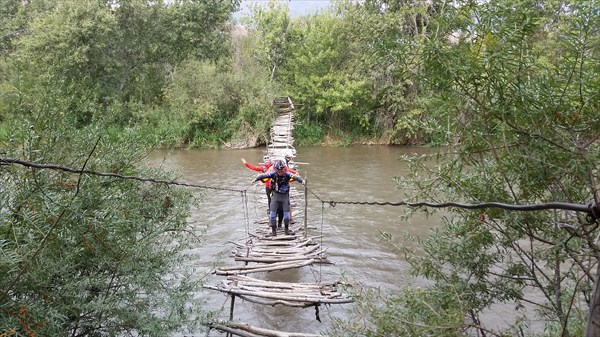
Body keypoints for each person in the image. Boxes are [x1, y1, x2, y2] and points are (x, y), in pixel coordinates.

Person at [253, 160, 305, 236]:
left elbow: (295, 177)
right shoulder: (273, 174)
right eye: (279, 171)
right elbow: (264, 176)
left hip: (284, 197)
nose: (280, 172)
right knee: (272, 215)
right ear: (276, 170)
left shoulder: (287, 174)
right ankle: (274, 232)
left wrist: (302, 181)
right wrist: (255, 179)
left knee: (287, 217)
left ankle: (286, 231)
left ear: (284, 169)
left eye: (282, 171)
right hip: (276, 196)